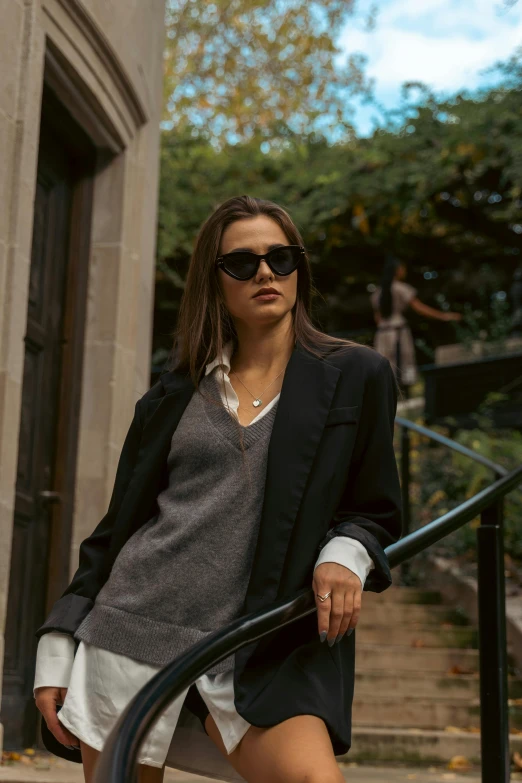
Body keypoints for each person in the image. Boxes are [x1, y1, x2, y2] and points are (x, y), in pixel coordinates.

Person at [34, 196, 402, 783]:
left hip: (260, 641)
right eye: (242, 263)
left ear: (299, 270)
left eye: (281, 258)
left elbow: (377, 506)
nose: (265, 273)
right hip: (131, 630)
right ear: (215, 280)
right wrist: (58, 644)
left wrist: (346, 552)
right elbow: (118, 530)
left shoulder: (356, 375)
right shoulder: (170, 395)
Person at [370, 255, 461, 386]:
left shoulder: (378, 292)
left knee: (387, 361)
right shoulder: (401, 288)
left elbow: (377, 317)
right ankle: (406, 390)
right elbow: (420, 308)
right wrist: (444, 316)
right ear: (397, 270)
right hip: (399, 328)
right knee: (404, 360)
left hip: (383, 331)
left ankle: (389, 392)